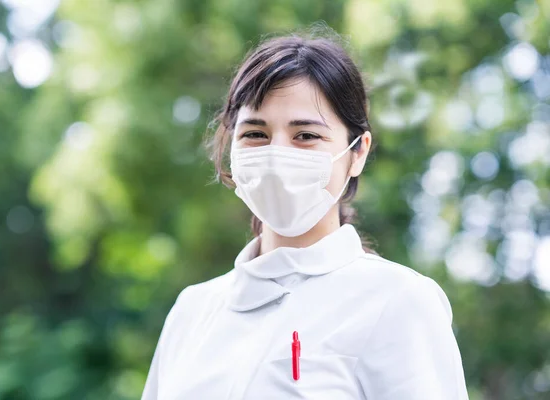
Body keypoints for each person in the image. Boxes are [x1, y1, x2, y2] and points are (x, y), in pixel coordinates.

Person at [142, 27, 469, 400]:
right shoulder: (192, 311)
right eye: (255, 134)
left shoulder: (399, 301)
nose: (277, 154)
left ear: (358, 152)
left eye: (306, 136)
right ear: (231, 144)